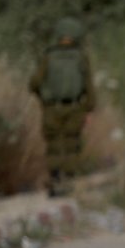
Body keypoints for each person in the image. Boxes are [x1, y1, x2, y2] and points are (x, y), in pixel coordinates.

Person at [29, 17, 96, 197]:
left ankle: (55, 181)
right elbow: (89, 86)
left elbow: (34, 83)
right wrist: (89, 109)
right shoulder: (81, 58)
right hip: (75, 108)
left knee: (54, 145)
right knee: (71, 144)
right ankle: (67, 182)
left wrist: (44, 98)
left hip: (52, 108)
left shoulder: (48, 57)